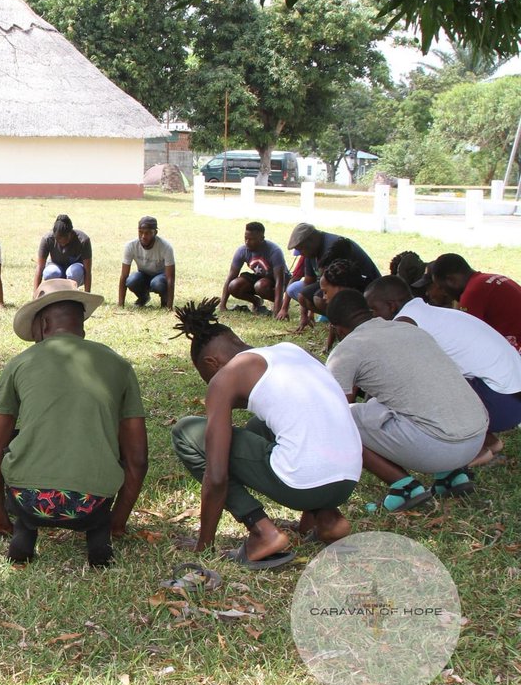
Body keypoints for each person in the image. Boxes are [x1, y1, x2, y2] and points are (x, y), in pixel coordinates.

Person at [169, 298, 363, 568]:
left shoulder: (226, 377)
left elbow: (216, 476)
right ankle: (329, 520)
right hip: (347, 479)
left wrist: (204, 544)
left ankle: (263, 532)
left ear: (213, 362)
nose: (210, 384)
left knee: (187, 432)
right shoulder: (291, 351)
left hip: (304, 483)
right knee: (260, 427)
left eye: (206, 377)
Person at [0, 279, 148, 567]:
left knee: (16, 436)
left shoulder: (20, 363)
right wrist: (116, 523)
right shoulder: (119, 365)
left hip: (28, 499)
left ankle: (25, 529)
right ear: (80, 324)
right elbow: (138, 458)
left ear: (43, 324)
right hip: (92, 504)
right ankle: (99, 534)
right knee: (110, 441)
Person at [325, 290, 488, 510]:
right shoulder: (410, 330)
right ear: (369, 311)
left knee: (344, 420)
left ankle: (404, 488)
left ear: (336, 327)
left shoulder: (346, 351)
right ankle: (452, 476)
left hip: (438, 447)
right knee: (393, 402)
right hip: (477, 438)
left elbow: (335, 412)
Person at [366, 275, 521, 471]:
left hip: (501, 403)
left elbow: (393, 377)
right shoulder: (427, 313)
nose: (373, 316)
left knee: (417, 389)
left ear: (391, 306)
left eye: (374, 310)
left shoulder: (406, 325)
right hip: (509, 398)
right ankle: (488, 442)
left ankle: (477, 450)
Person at [415, 253, 521, 352]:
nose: (445, 293)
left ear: (451, 280)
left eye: (442, 287)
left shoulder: (472, 293)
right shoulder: (487, 279)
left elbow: (466, 338)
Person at [285, 223, 379, 332]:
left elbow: (340, 284)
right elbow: (307, 282)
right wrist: (304, 316)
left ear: (310, 240)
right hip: (337, 284)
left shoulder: (333, 247)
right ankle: (336, 320)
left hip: (364, 286)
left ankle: (344, 324)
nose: (301, 253)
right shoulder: (311, 252)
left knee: (319, 298)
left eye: (301, 248)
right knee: (302, 295)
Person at [219, 222, 286, 317]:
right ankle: (257, 301)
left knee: (261, 286)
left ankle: (281, 304)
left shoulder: (274, 251)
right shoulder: (242, 251)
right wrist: (222, 305)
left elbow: (280, 280)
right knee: (233, 286)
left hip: (277, 281)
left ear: (262, 239)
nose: (247, 242)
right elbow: (231, 277)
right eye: (245, 238)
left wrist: (277, 310)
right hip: (260, 277)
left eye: (252, 239)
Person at [120, 216, 175, 308]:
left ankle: (164, 301)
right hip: (143, 275)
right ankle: (143, 297)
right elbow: (124, 276)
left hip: (161, 276)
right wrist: (120, 304)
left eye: (147, 233)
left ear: (155, 233)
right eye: (140, 232)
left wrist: (170, 306)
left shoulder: (165, 247)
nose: (143, 236)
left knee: (158, 283)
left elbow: (170, 278)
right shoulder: (131, 246)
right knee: (131, 281)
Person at [33, 214, 92, 293]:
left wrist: (87, 296)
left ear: (71, 233)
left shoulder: (83, 240)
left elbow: (87, 271)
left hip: (75, 272)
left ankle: (71, 293)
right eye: (58, 240)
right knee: (50, 273)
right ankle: (57, 293)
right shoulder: (47, 239)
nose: (62, 244)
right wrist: (35, 295)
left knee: (74, 272)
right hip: (56, 268)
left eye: (66, 240)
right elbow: (40, 268)